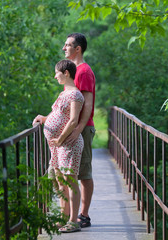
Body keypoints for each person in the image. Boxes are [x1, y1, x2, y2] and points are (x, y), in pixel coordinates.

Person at [33, 60, 84, 233]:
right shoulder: (64, 94)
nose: (55, 76)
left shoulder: (75, 95)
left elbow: (73, 120)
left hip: (68, 145)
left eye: (57, 73)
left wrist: (60, 139)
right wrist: (44, 118)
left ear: (66, 73)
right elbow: (57, 114)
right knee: (59, 182)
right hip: (57, 146)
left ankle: (73, 221)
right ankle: (63, 218)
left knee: (70, 182)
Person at [62, 33, 96, 228]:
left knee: (83, 172)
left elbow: (88, 103)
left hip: (81, 129)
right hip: (74, 129)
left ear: (78, 49)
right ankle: (70, 214)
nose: (64, 48)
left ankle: (83, 215)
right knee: (74, 172)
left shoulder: (84, 72)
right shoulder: (74, 71)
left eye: (67, 45)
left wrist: (79, 129)